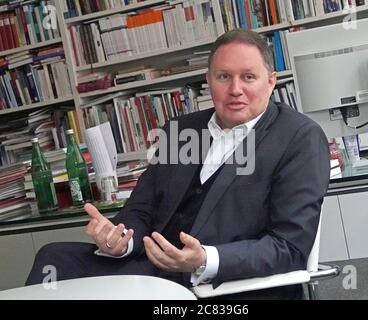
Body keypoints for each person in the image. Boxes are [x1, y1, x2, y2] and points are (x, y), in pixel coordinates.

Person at [26, 29, 330, 299]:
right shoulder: (183, 130)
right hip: (152, 264)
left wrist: (204, 259)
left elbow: (289, 248)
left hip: (220, 282)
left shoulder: (299, 138)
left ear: (271, 81)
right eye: (224, 76)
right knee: (53, 258)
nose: (236, 89)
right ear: (209, 81)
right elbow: (140, 211)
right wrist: (120, 239)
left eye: (248, 77)